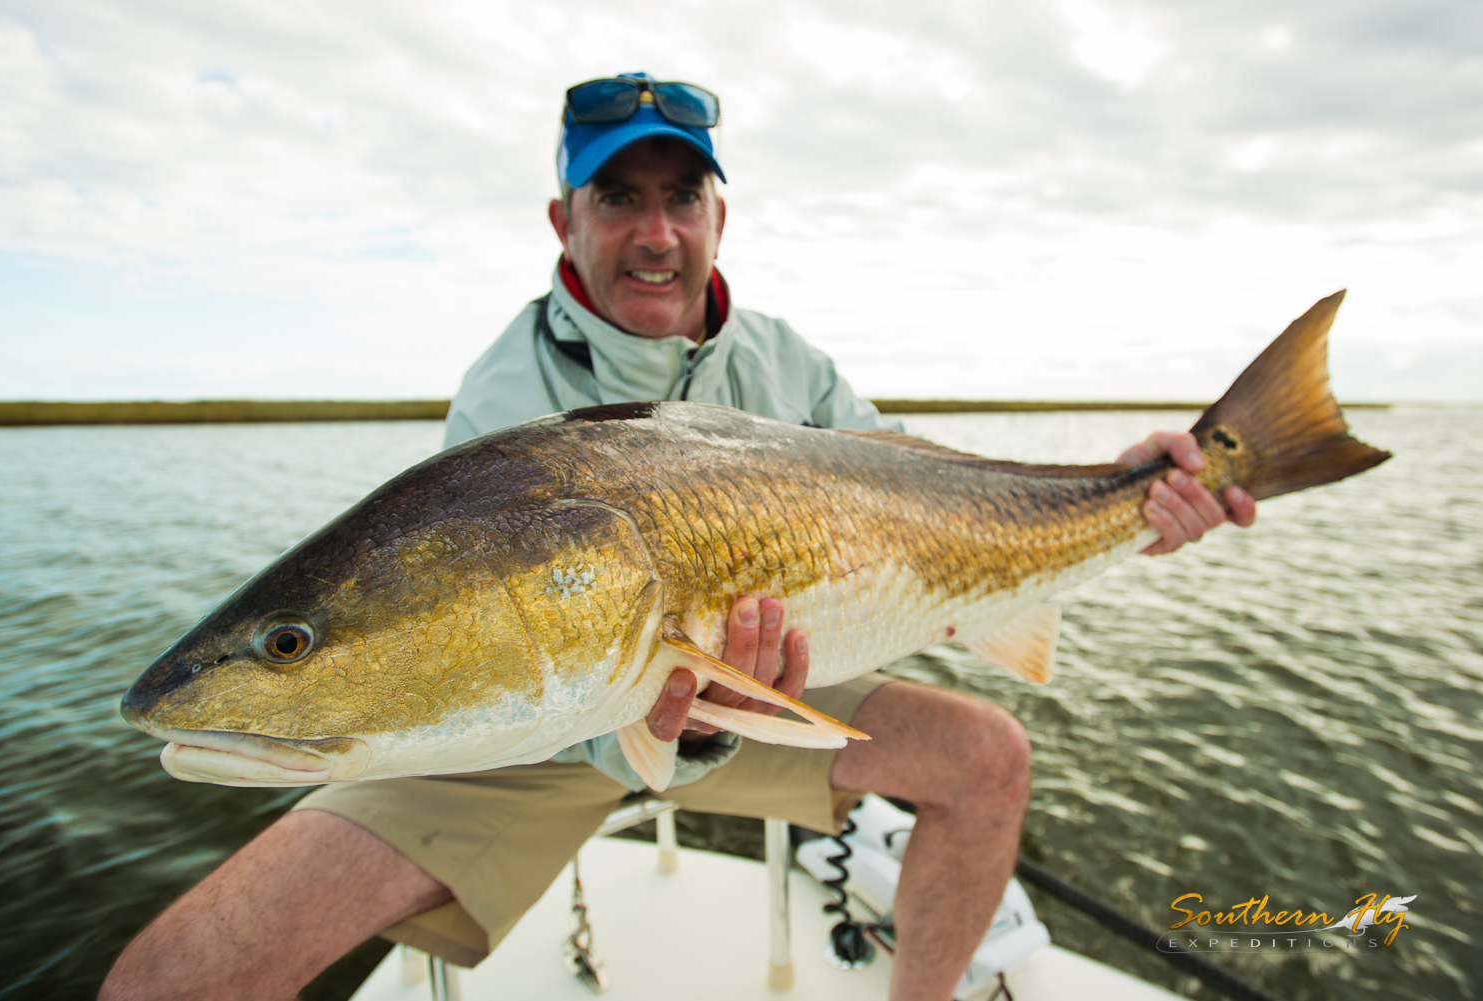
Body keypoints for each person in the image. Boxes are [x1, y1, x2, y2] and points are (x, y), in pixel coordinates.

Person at [101, 73, 1256, 1001]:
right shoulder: (502, 396)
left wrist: (1126, 492)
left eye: (679, 197)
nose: (654, 233)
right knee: (170, 976)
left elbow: (932, 492)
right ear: (566, 219)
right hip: (522, 735)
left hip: (742, 688)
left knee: (988, 753)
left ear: (716, 215)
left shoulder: (785, 359)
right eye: (618, 199)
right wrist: (661, 715)